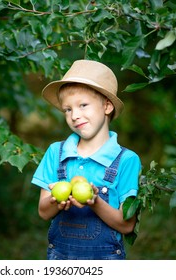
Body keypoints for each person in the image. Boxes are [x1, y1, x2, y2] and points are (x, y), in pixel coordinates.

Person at [31, 60, 141, 260]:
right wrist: (57, 201)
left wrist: (95, 201)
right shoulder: (56, 153)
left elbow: (127, 225)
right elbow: (43, 212)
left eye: (83, 105)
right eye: (68, 109)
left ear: (107, 106)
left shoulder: (126, 160)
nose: (75, 115)